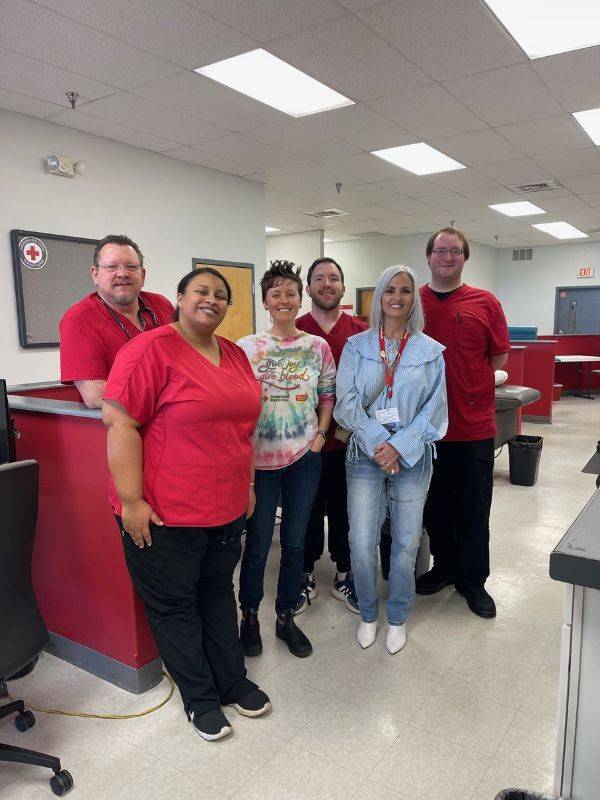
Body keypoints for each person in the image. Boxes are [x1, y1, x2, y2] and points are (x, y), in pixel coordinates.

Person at [102, 268, 270, 742]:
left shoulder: (235, 354)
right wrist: (131, 501)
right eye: (201, 291)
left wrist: (249, 483)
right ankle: (199, 698)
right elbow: (119, 424)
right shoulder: (150, 350)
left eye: (221, 295)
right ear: (179, 297)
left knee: (218, 594)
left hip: (225, 506)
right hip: (164, 513)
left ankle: (232, 682)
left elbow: (243, 430)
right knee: (176, 608)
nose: (211, 300)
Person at [335, 265, 447, 654]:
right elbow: (346, 404)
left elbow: (435, 412)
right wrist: (380, 442)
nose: (397, 297)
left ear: (414, 298)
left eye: (405, 290)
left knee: (406, 542)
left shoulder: (431, 352)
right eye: (389, 290)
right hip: (365, 455)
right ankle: (368, 613)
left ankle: (397, 615)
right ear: (379, 297)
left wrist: (399, 447)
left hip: (413, 456)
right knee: (361, 540)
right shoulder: (356, 347)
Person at [237, 260, 336, 659]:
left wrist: (321, 435)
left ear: (301, 299)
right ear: (265, 301)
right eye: (275, 293)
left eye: (290, 293)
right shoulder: (248, 348)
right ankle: (248, 616)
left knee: (295, 543)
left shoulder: (317, 347)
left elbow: (328, 394)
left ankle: (284, 617)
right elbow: (236, 403)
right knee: (259, 544)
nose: (283, 299)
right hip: (259, 463)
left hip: (303, 460)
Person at [417, 228, 510, 619]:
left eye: (456, 251)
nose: (448, 256)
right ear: (429, 256)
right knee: (434, 507)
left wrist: (465, 382)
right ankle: (444, 568)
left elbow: (498, 359)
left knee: (474, 508)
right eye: (441, 250)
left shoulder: (484, 302)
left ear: (464, 257)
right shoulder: (413, 302)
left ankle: (473, 581)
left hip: (472, 427)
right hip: (425, 430)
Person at [296, 257, 367, 613]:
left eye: (334, 278)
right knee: (305, 510)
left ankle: (344, 573)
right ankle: (304, 575)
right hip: (304, 443)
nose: (327, 284)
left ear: (343, 286)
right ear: (308, 288)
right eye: (319, 278)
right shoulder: (294, 331)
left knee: (346, 510)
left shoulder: (362, 332)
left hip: (350, 444)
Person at [60, 233, 173, 408]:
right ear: (95, 274)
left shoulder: (162, 306)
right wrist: (173, 387)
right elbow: (96, 396)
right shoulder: (77, 320)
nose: (122, 273)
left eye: (131, 266)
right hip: (118, 427)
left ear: (142, 274)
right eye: (112, 267)